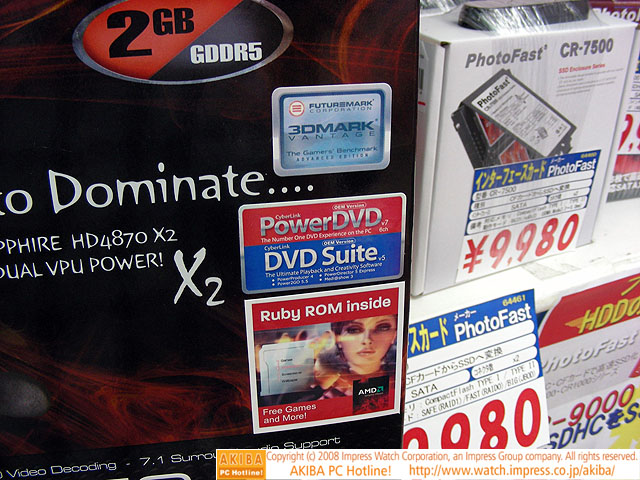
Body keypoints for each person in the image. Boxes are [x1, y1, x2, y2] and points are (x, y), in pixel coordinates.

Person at [314, 315, 397, 398]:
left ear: (394, 335)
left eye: (382, 328)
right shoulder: (328, 394)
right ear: (337, 338)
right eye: (354, 330)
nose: (367, 340)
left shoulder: (399, 382)